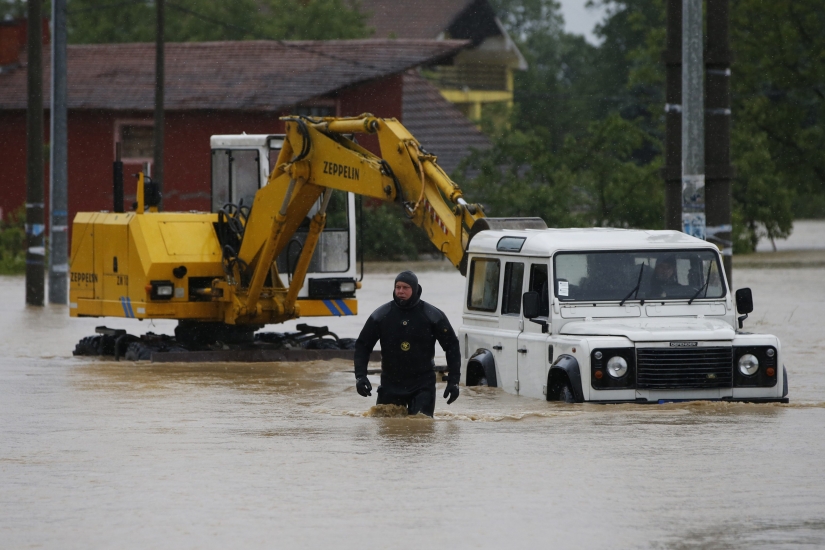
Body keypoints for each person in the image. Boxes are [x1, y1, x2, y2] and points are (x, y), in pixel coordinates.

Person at [353, 270, 461, 417]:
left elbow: (452, 346)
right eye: (398, 287)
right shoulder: (382, 315)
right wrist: (360, 376)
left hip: (422, 385)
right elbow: (362, 346)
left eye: (405, 288)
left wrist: (454, 381)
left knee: (421, 427)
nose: (400, 291)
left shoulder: (432, 315)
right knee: (387, 432)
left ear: (415, 289)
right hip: (391, 383)